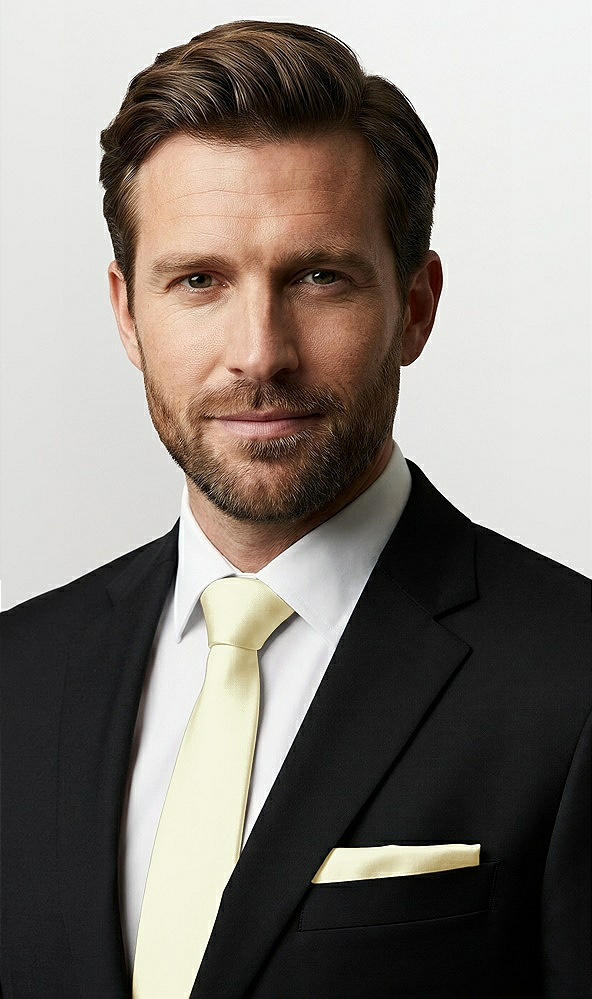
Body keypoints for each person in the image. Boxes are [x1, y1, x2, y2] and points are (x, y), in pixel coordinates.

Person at [1, 19, 590, 999]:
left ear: (415, 305)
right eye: (198, 281)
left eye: (319, 277)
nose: (259, 353)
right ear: (127, 313)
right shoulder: (17, 679)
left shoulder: (571, 681)